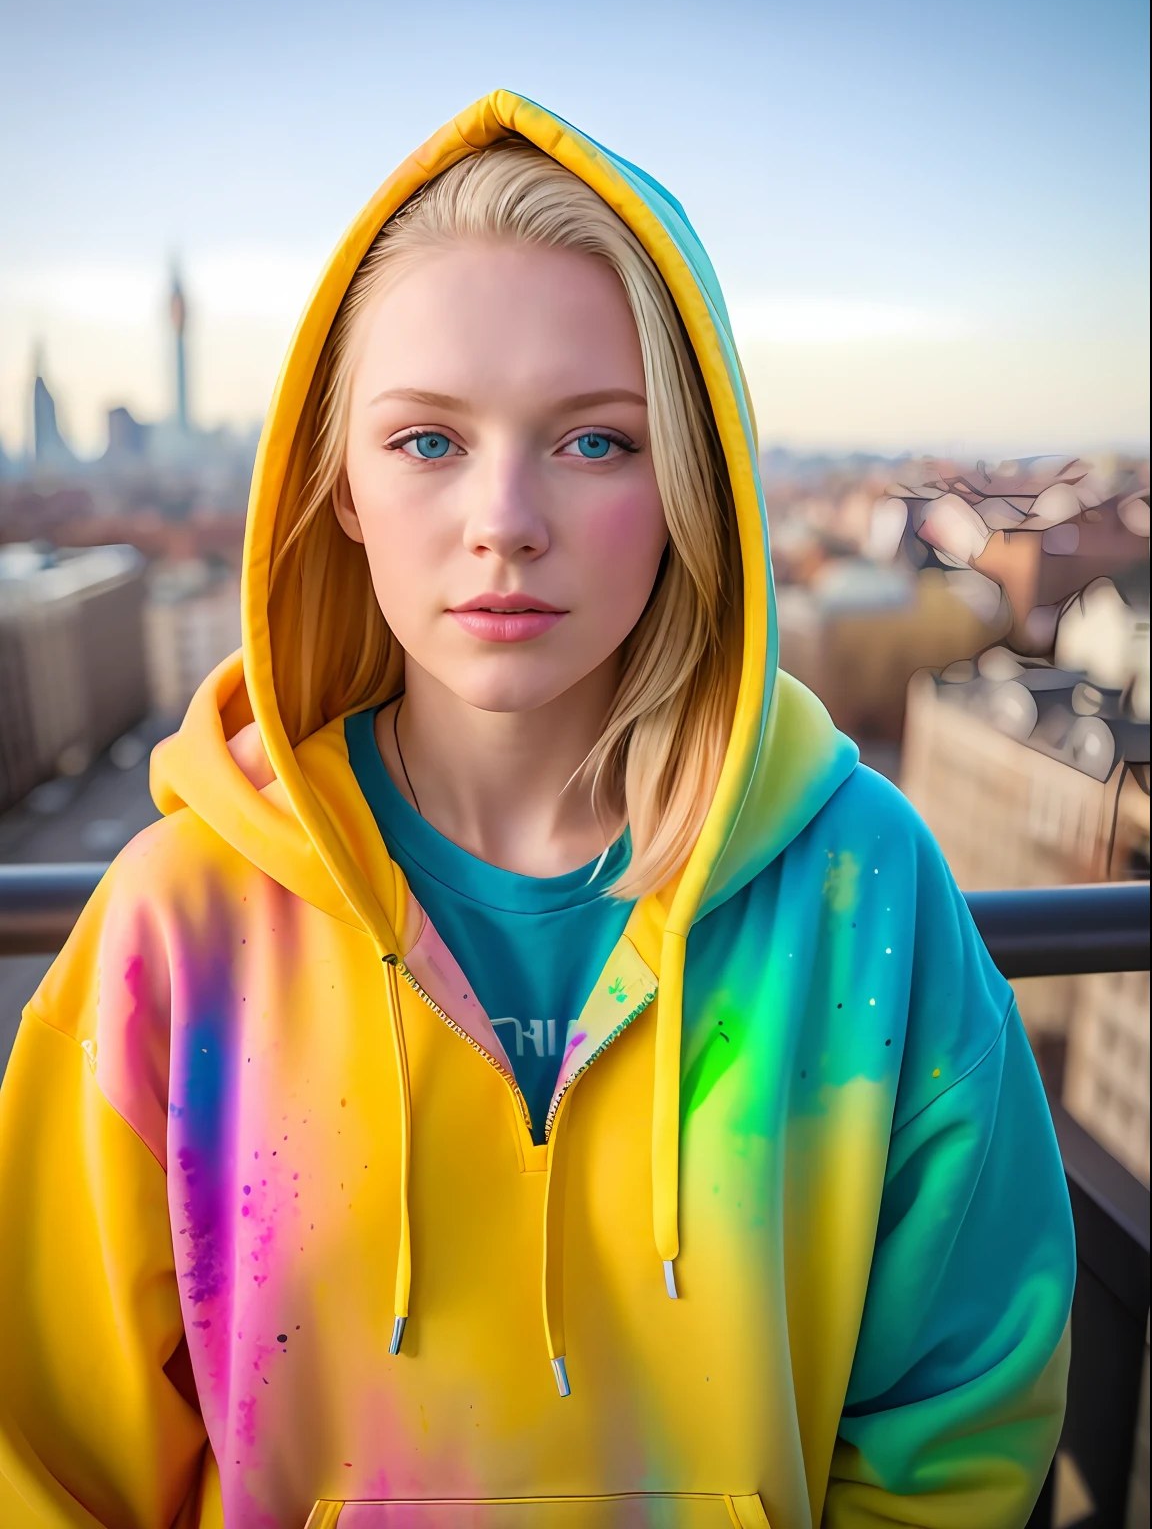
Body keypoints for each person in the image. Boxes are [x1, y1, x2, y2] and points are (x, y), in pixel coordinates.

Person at [0, 91, 1073, 1529]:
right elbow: (50, 1463)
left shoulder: (866, 893)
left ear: (693, 485)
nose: (505, 517)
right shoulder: (175, 929)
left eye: (596, 442)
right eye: (428, 441)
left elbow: (965, 1412)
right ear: (338, 489)